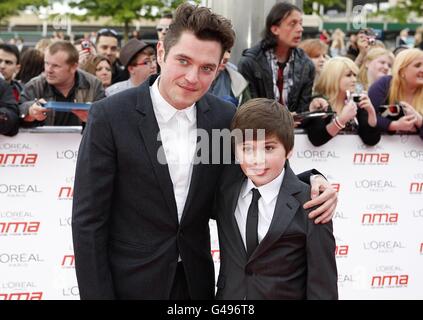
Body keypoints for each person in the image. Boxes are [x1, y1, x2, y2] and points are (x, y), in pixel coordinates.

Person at [72, 3, 337, 300]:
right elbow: (88, 222)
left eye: (207, 68)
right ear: (161, 53)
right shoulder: (110, 116)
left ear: (220, 66)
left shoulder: (224, 117)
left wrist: (312, 180)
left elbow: (251, 175)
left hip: (196, 285)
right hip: (130, 284)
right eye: (183, 61)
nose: (193, 77)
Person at [214, 98, 338, 300]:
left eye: (269, 148)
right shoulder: (224, 190)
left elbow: (323, 286)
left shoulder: (312, 204)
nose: (257, 159)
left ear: (289, 150)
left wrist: (315, 178)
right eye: (247, 149)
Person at [238, 2, 315, 114]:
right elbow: (249, 110)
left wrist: (315, 103)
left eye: (300, 23)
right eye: (293, 24)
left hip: (296, 129)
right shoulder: (250, 62)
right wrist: (281, 122)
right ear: (275, 29)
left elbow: (303, 108)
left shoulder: (306, 64)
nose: (300, 29)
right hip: (262, 129)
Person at [19, 40, 105, 126]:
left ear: (73, 67)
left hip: (83, 139)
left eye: (55, 66)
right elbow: (18, 111)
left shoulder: (93, 85)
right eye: (46, 63)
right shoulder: (35, 85)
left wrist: (93, 117)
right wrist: (30, 111)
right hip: (42, 139)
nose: (49, 70)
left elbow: (106, 119)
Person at [305, 57, 380, 146]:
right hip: (322, 158)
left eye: (355, 75)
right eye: (348, 75)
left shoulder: (355, 102)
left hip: (350, 158)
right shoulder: (319, 102)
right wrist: (341, 120)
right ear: (333, 77)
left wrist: (371, 112)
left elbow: (371, 140)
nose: (354, 80)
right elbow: (316, 139)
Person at [368, 48, 423, 140]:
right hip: (384, 150)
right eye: (417, 65)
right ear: (402, 71)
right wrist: (394, 125)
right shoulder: (384, 85)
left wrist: (420, 121)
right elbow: (369, 116)